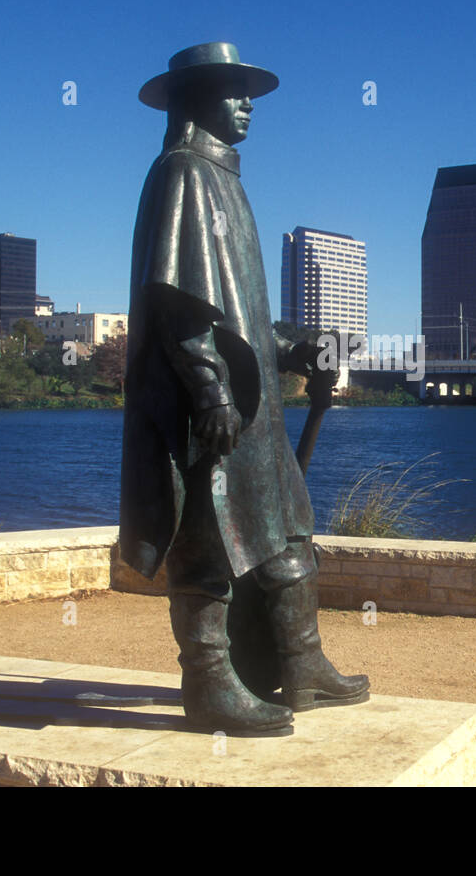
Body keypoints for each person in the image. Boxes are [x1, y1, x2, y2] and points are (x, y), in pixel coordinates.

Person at [119, 42, 369, 734]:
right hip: (211, 413)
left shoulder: (224, 179)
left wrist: (298, 350)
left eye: (249, 93)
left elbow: (242, 319)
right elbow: (178, 305)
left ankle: (301, 663)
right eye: (232, 91)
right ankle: (208, 685)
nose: (247, 104)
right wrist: (210, 392)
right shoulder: (182, 173)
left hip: (252, 414)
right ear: (195, 99)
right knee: (205, 541)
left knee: (289, 533)